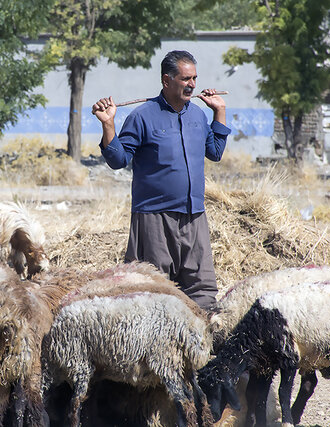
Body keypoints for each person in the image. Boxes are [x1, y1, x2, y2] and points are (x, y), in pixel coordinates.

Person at [92, 50, 230, 309]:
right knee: (152, 290)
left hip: (194, 216)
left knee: (202, 289)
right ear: (167, 81)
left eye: (195, 79)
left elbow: (216, 152)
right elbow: (118, 160)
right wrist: (108, 125)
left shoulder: (198, 116)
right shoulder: (142, 116)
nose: (192, 84)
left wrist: (219, 113)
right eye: (186, 78)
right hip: (155, 218)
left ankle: (201, 343)